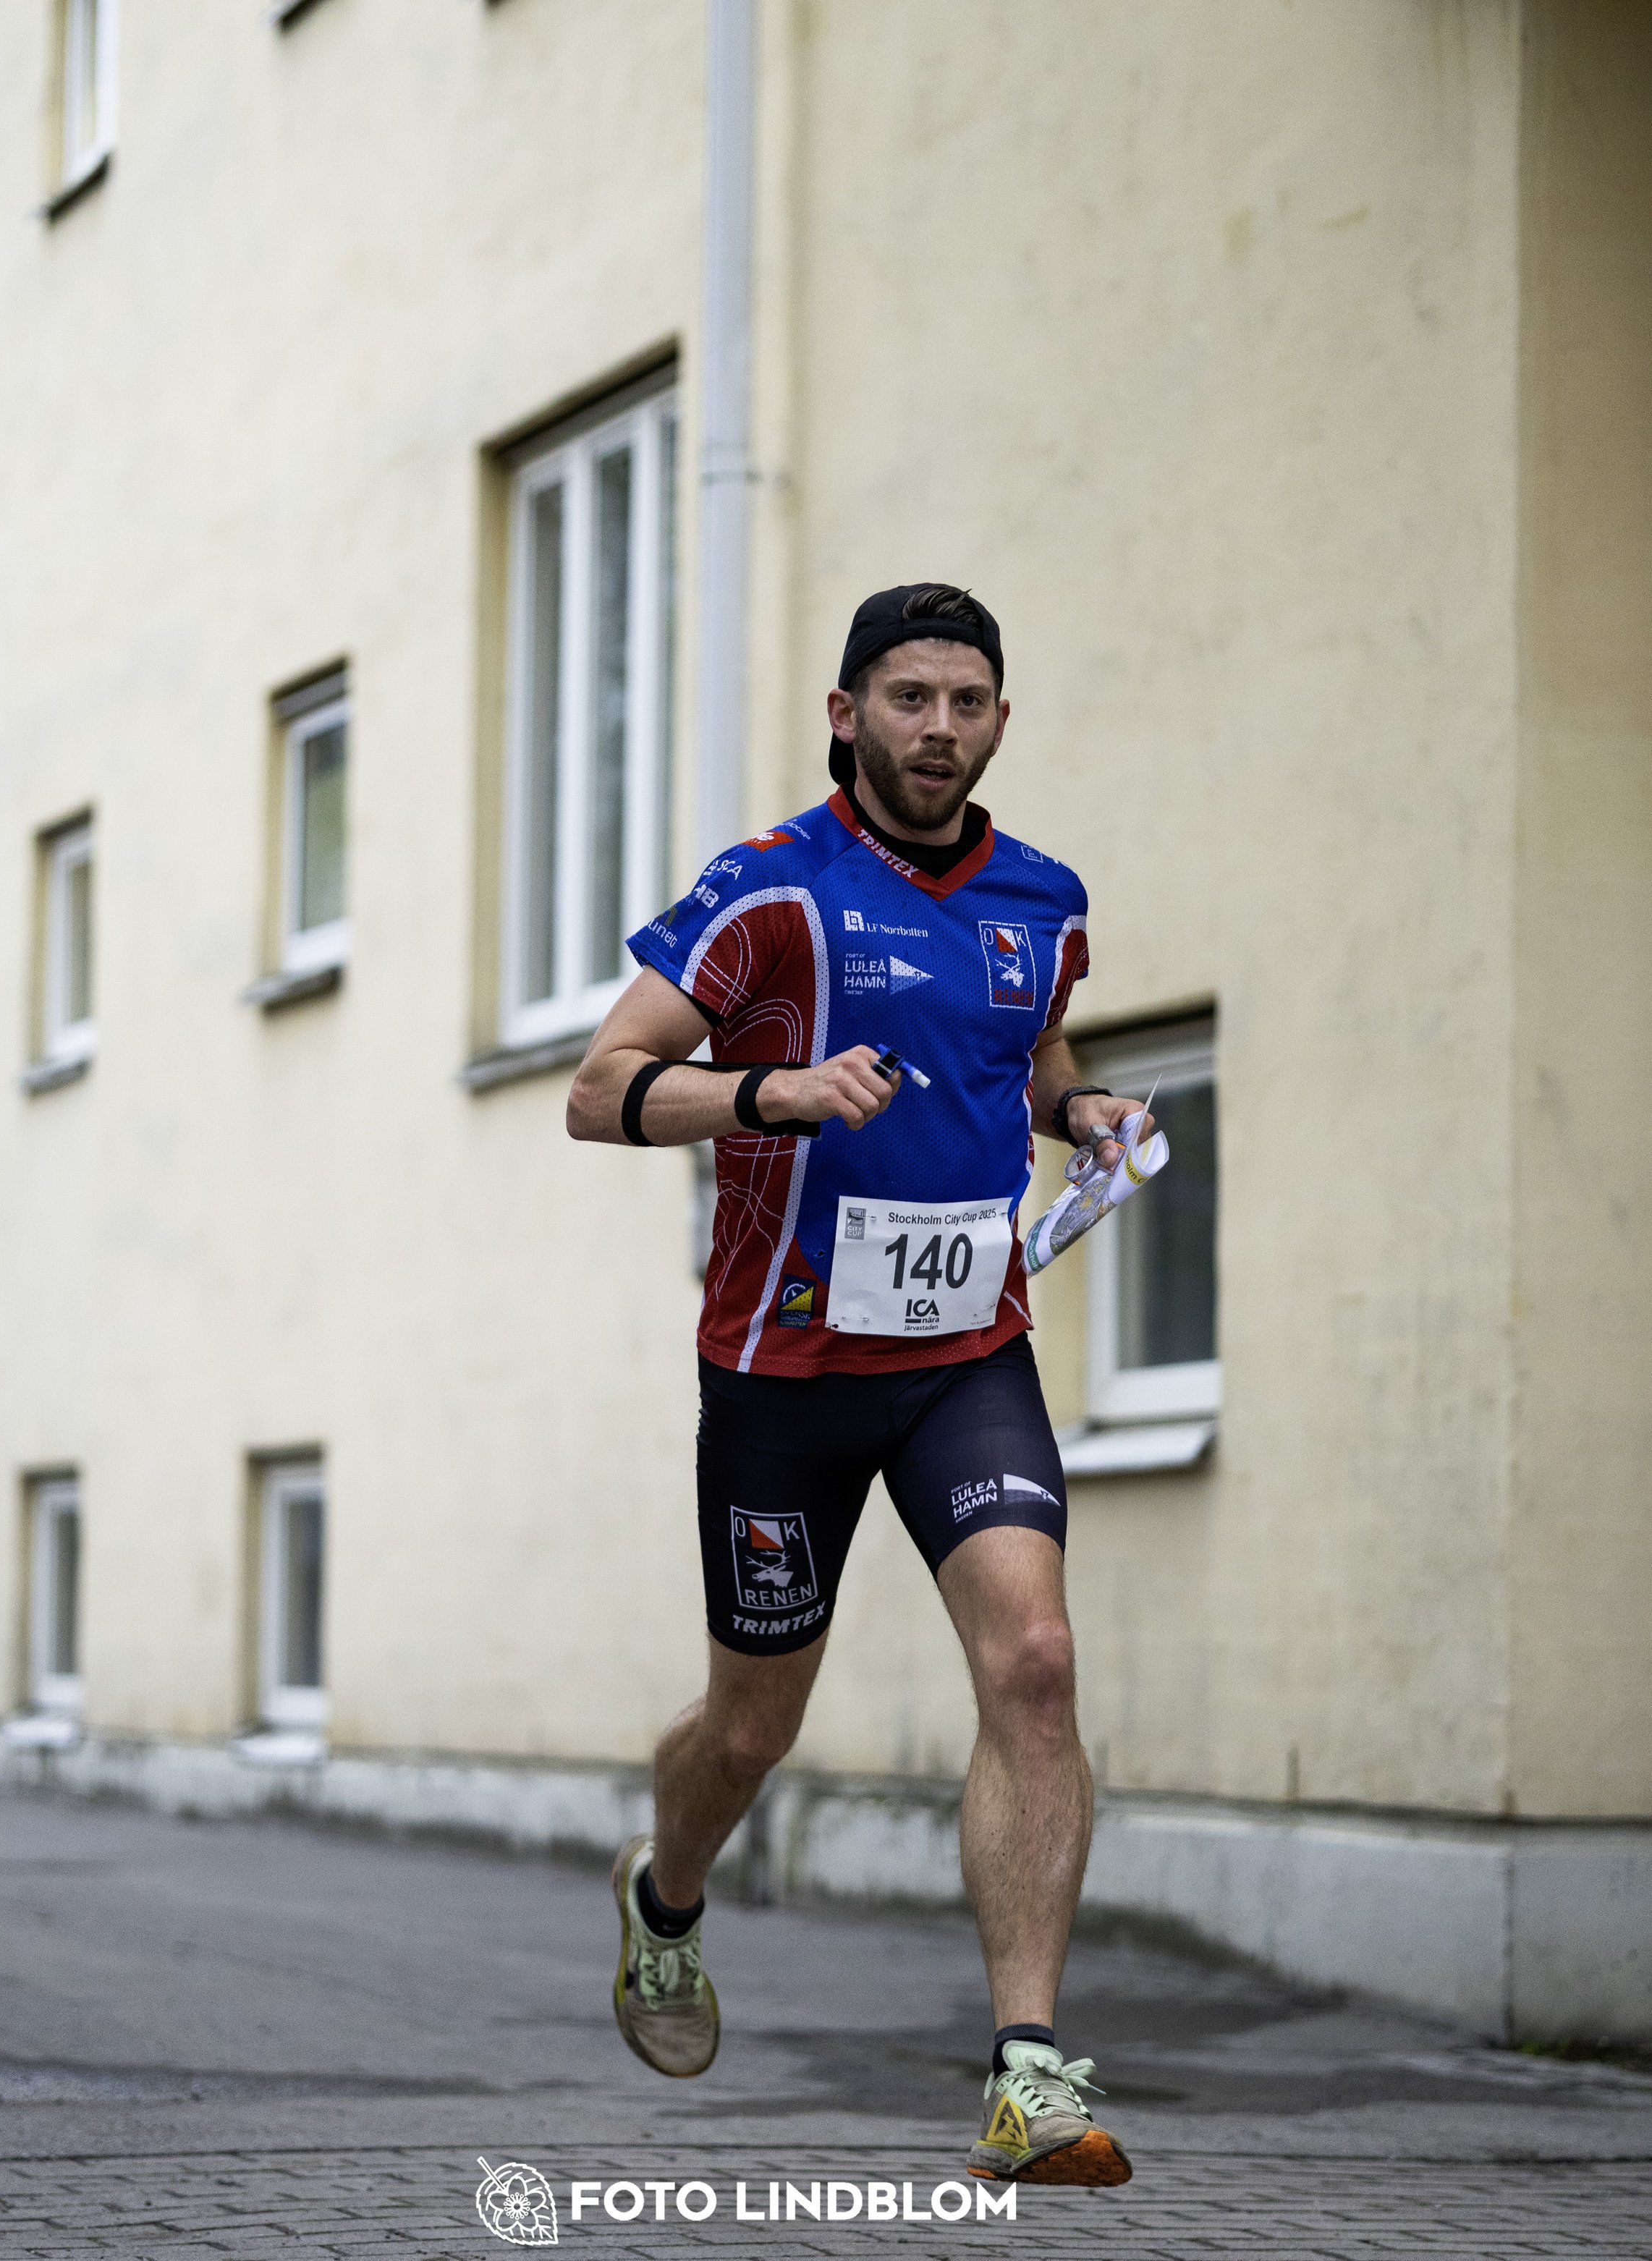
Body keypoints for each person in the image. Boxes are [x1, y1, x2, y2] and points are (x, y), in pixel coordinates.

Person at [567, 582, 1144, 2188]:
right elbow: (596, 1089)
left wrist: (1080, 1113)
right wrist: (771, 1090)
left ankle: (1027, 2073)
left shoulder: (1044, 899)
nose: (937, 729)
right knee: (753, 1730)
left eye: (966, 702)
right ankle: (666, 1895)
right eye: (907, 699)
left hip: (967, 1353)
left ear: (999, 722)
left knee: (1032, 1660)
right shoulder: (770, 897)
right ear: (847, 713)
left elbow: (1015, 1060)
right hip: (784, 1368)